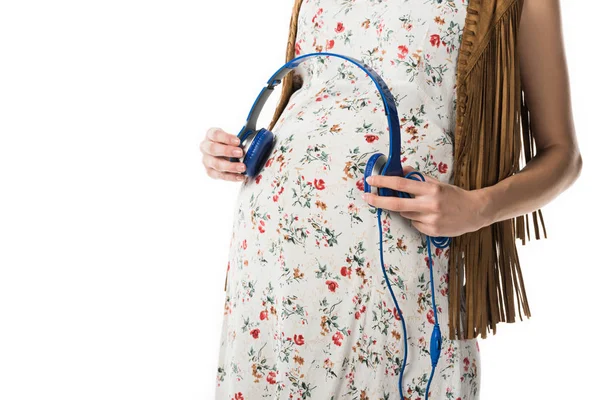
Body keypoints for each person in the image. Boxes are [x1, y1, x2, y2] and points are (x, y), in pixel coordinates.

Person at [202, 0, 582, 398]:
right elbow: (313, 99)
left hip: (394, 270)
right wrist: (234, 154)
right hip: (266, 270)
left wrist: (478, 207)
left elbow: (564, 156)